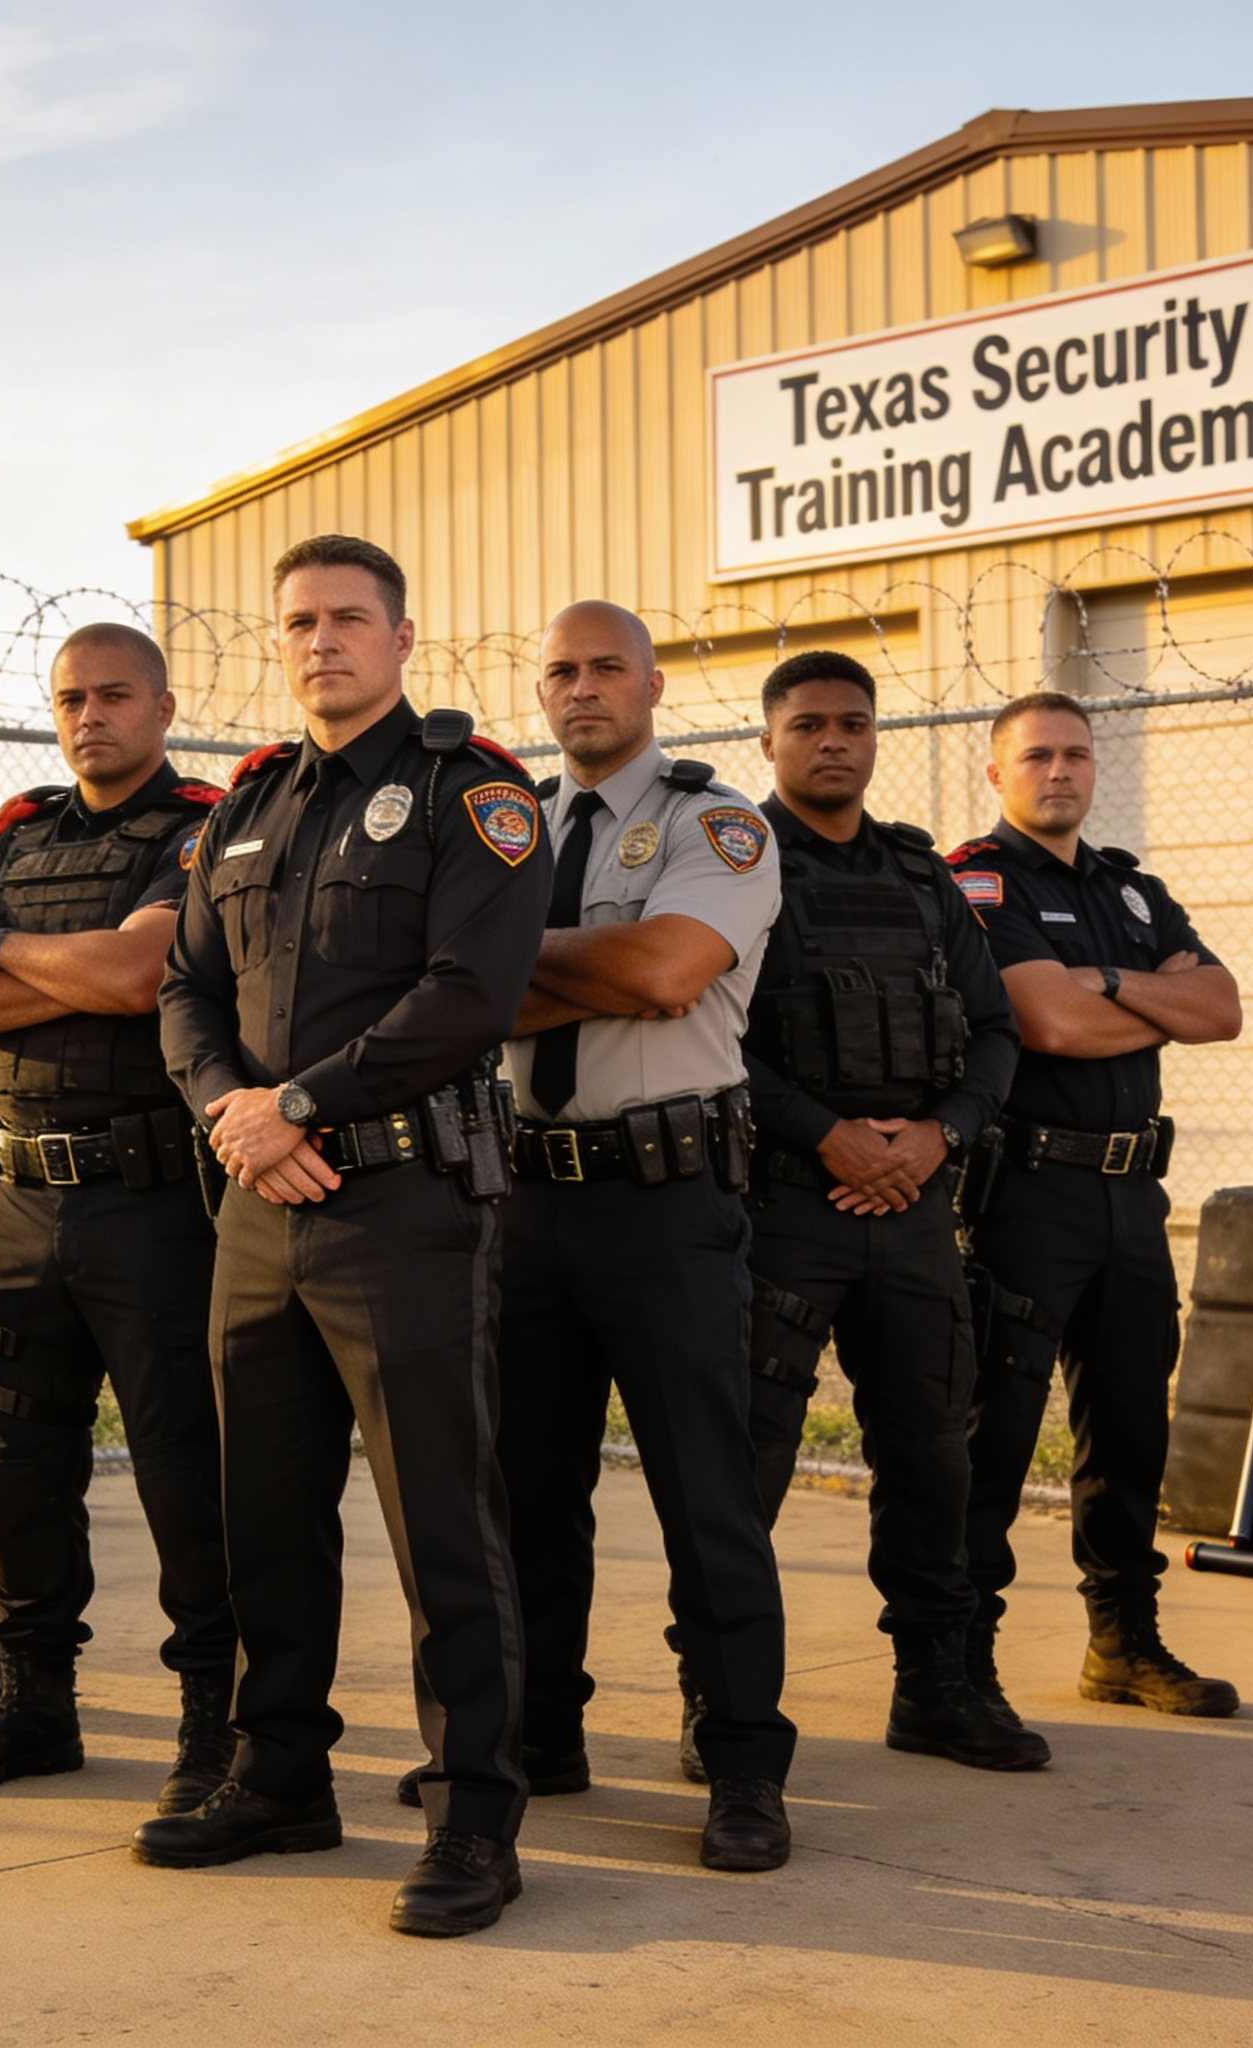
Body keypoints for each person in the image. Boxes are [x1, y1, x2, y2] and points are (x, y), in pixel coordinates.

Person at [142, 533, 549, 1939]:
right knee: (264, 1513)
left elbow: (472, 994)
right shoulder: (248, 804)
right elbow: (184, 987)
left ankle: (475, 1819)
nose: (323, 642)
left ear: (401, 636)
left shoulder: (468, 791)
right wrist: (229, 1115)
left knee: (442, 1519)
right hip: (259, 1205)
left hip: (404, 1210)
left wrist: (298, 1102)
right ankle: (279, 1778)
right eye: (301, 623)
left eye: (349, 620)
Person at [472, 598, 798, 1871]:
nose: (582, 687)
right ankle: (538, 1734)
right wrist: (562, 959)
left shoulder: (717, 823)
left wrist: (501, 962)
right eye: (559, 669)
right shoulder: (509, 831)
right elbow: (449, 981)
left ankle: (741, 1769)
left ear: (651, 682)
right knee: (523, 1492)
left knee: (704, 1496)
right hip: (520, 1198)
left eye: (607, 666)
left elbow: (665, 970)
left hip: (665, 1201)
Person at [0, 622, 236, 1812]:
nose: (88, 716)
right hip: (14, 1199)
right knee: (16, 1467)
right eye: (68, 699)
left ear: (159, 704)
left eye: (111, 696)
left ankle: (217, 1722)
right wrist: (39, 956)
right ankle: (30, 1702)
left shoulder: (205, 822)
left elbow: (136, 978)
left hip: (153, 1202)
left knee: (186, 1476)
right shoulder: (12, 828)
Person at [740, 650, 1046, 1771]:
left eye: (853, 723)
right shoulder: (737, 861)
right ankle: (719, 1696)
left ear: (874, 738)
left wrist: (936, 1136)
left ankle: (937, 1685)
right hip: (785, 1198)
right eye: (809, 723)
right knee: (748, 1462)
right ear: (767, 740)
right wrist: (823, 1132)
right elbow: (709, 1034)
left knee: (930, 1456)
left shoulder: (924, 878)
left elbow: (995, 1027)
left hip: (913, 1198)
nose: (834, 740)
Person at [947, 690, 1242, 1718]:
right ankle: (960, 1655)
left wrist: (1101, 980)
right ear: (997, 773)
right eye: (1035, 756)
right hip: (1027, 1193)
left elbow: (1220, 1009)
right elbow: (1047, 1025)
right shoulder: (977, 880)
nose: (1058, 770)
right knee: (996, 1431)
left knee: (1126, 1429)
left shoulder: (1130, 889)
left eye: (1074, 753)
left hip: (1130, 1197)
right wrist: (1136, 996)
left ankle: (1121, 1642)